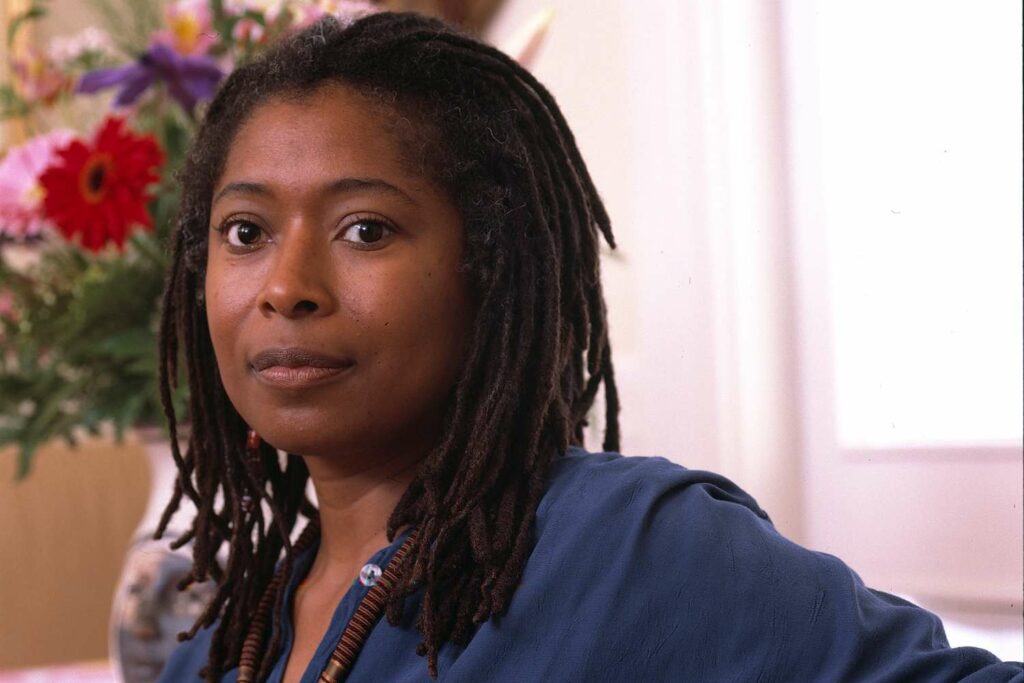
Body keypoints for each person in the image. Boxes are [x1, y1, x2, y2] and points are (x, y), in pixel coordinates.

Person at [155, 11, 1023, 683]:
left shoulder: (632, 547)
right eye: (244, 231)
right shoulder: (221, 645)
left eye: (367, 228)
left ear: (490, 267)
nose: (285, 284)